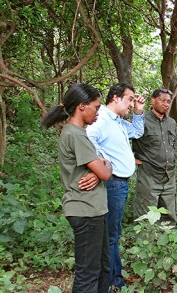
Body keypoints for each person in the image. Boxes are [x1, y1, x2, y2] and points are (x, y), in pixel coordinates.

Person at [41, 83, 113, 293]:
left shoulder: (75, 132)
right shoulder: (76, 135)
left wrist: (101, 168)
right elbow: (106, 173)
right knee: (88, 272)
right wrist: (104, 166)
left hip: (93, 209)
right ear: (82, 106)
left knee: (101, 267)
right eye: (96, 107)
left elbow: (100, 170)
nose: (98, 113)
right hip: (85, 209)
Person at [86, 82, 145, 289]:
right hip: (112, 183)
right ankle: (112, 281)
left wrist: (138, 113)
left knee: (113, 233)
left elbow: (137, 132)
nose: (132, 103)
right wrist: (103, 164)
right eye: (130, 99)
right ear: (116, 98)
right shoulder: (101, 119)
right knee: (111, 235)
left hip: (120, 184)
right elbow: (88, 139)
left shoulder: (117, 121)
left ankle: (114, 278)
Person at [132, 88, 177, 225]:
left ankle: (166, 244)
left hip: (169, 176)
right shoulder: (142, 120)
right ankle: (145, 244)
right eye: (162, 100)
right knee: (145, 216)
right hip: (149, 176)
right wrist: (131, 158)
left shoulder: (171, 123)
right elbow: (125, 138)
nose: (166, 104)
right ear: (152, 100)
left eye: (168, 101)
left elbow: (174, 145)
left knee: (169, 214)